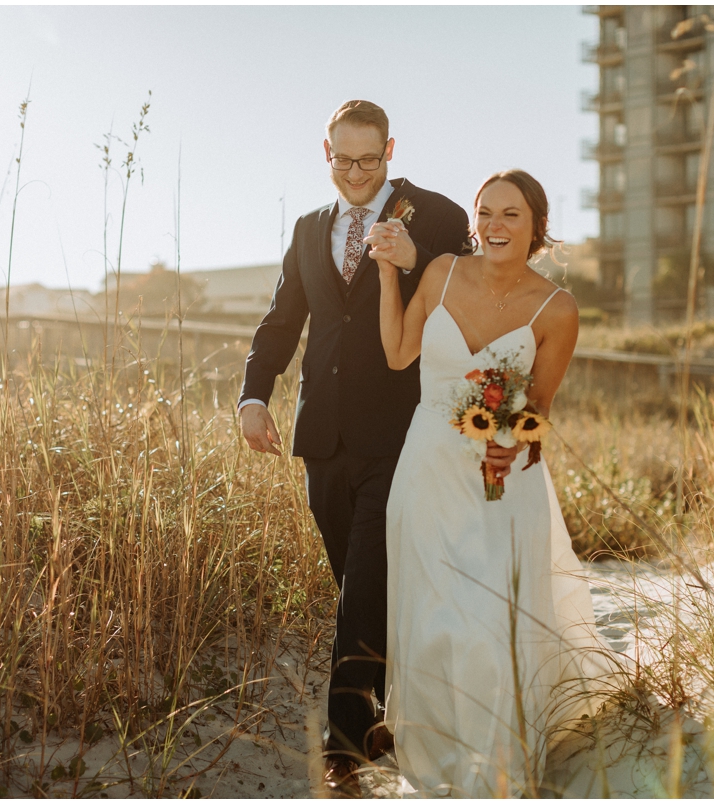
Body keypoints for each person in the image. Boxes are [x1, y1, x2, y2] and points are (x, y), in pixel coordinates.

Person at [239, 100, 520, 798]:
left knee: (365, 581)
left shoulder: (443, 215)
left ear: (391, 150)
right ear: (325, 153)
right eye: (344, 160)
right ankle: (391, 711)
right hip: (321, 437)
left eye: (370, 159)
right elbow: (282, 322)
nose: (358, 174)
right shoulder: (308, 230)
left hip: (401, 435)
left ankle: (344, 745)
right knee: (357, 585)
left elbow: (474, 301)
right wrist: (253, 396)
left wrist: (417, 258)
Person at [376, 169, 621, 797]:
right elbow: (399, 353)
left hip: (500, 479)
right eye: (485, 212)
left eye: (510, 214)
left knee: (488, 618)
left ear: (537, 224)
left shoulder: (557, 308)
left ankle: (494, 767)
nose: (494, 226)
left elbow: (538, 406)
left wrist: (505, 441)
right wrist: (386, 273)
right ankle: (431, 762)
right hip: (427, 466)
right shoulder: (440, 273)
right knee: (431, 617)